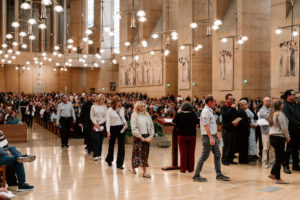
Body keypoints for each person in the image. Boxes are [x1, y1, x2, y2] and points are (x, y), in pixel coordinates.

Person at [193, 96, 230, 182]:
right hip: (207, 137)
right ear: (209, 102)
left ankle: (219, 174)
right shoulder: (206, 111)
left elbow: (211, 124)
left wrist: (216, 133)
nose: (215, 103)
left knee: (217, 155)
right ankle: (196, 175)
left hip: (213, 136)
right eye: (214, 102)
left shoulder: (210, 111)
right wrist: (210, 138)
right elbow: (205, 125)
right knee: (204, 156)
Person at [268, 100, 290, 184]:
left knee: (279, 158)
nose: (283, 105)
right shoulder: (280, 114)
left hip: (273, 137)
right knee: (279, 158)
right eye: (282, 104)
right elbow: (284, 127)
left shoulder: (272, 114)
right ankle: (278, 178)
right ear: (279, 105)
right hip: (279, 137)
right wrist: (287, 137)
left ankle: (273, 173)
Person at [173, 102, 199, 173]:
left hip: (182, 135)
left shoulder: (179, 115)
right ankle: (191, 168)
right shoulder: (193, 114)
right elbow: (197, 123)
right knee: (191, 153)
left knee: (183, 153)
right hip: (192, 135)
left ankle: (183, 168)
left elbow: (174, 122)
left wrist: (178, 112)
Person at [130, 101, 154, 178]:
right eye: (141, 106)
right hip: (138, 137)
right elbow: (134, 128)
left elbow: (151, 126)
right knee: (136, 153)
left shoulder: (147, 114)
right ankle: (133, 167)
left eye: (144, 106)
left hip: (147, 136)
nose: (143, 108)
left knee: (145, 154)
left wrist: (151, 136)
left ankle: (144, 172)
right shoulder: (134, 115)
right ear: (137, 107)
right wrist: (140, 137)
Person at [105, 96, 128, 169]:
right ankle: (109, 160)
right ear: (114, 102)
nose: (119, 102)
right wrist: (108, 131)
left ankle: (119, 164)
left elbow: (123, 118)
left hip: (121, 127)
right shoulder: (110, 110)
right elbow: (108, 121)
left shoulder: (122, 108)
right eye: (118, 101)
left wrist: (125, 123)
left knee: (121, 146)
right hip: (113, 128)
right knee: (111, 145)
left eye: (120, 100)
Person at [282, 90, 300, 173]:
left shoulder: (295, 105)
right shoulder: (285, 105)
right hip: (290, 130)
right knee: (288, 149)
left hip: (297, 130)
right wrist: (297, 124)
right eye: (293, 94)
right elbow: (288, 117)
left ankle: (295, 165)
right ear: (288, 96)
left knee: (296, 148)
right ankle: (286, 166)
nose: (295, 96)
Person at [220, 93, 239, 165]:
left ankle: (231, 159)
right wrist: (231, 108)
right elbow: (225, 117)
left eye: (232, 99)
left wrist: (236, 122)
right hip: (226, 129)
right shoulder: (223, 107)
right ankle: (224, 160)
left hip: (233, 128)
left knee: (232, 145)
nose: (232, 100)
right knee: (226, 145)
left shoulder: (232, 107)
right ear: (226, 99)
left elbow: (235, 116)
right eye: (230, 99)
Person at [258, 97, 274, 168]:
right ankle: (264, 162)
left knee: (272, 148)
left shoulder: (271, 109)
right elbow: (269, 117)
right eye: (267, 101)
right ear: (263, 102)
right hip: (265, 131)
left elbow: (273, 118)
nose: (268, 102)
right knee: (265, 148)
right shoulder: (262, 110)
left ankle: (272, 162)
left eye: (269, 101)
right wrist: (271, 117)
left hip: (272, 131)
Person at [90, 94, 107, 161]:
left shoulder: (104, 107)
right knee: (96, 140)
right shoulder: (93, 106)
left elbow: (105, 117)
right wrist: (95, 123)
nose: (102, 100)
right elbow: (92, 116)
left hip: (102, 124)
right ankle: (96, 155)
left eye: (103, 98)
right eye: (101, 98)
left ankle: (99, 154)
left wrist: (100, 123)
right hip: (95, 124)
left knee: (101, 140)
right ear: (98, 99)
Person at [237, 100, 250, 164]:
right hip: (242, 132)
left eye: (246, 104)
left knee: (245, 145)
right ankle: (242, 160)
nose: (247, 105)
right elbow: (240, 122)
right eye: (245, 104)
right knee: (242, 146)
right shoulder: (240, 112)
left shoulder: (243, 111)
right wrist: (248, 124)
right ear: (241, 105)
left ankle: (244, 159)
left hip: (244, 131)